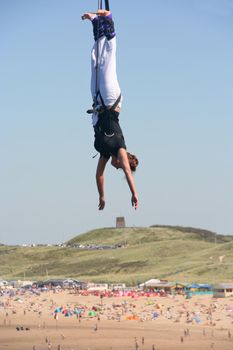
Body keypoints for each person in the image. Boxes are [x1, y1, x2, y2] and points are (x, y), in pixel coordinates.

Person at [82, 9, 139, 210]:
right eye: (120, 167)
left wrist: (102, 196)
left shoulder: (105, 153)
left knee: (96, 61)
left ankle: (97, 23)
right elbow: (127, 172)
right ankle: (109, 21)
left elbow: (98, 174)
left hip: (98, 103)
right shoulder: (119, 149)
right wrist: (134, 194)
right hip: (111, 99)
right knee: (108, 63)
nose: (117, 168)